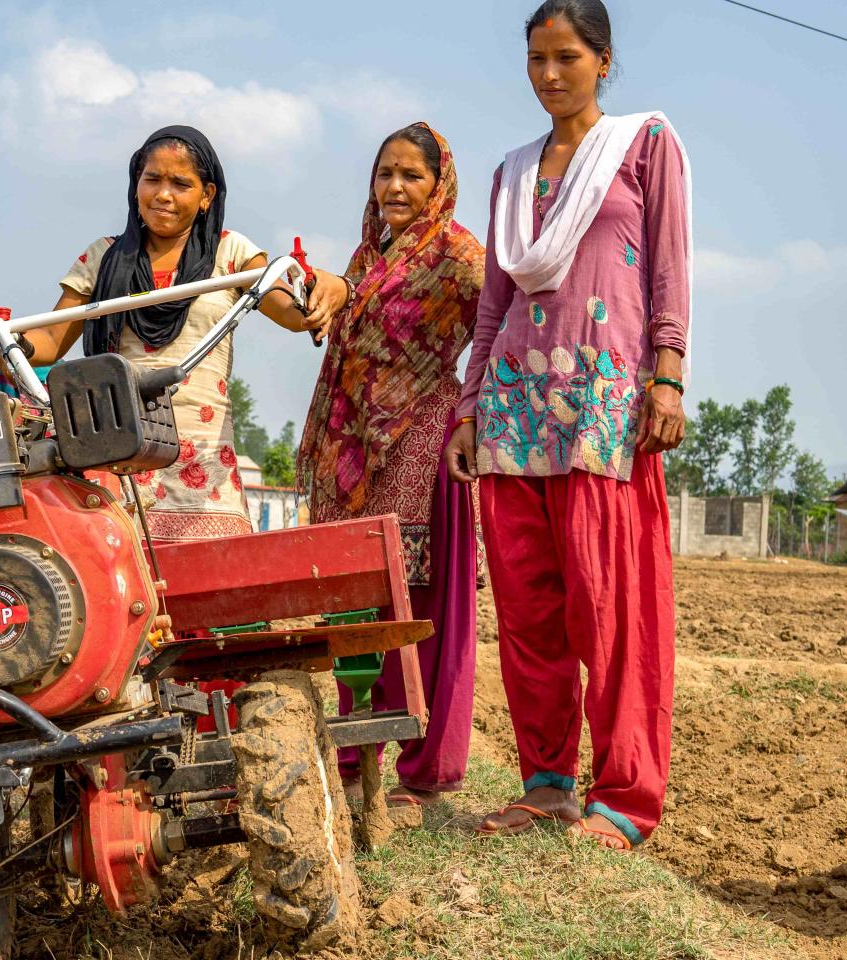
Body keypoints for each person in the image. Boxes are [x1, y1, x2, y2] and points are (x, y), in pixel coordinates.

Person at [445, 0, 692, 850]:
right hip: (513, 406)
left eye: (568, 57)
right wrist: (471, 404)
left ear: (604, 60)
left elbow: (668, 267)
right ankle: (545, 784)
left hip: (604, 406)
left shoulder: (645, 145)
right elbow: (494, 305)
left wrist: (669, 374)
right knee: (529, 611)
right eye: (537, 59)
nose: (550, 75)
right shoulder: (513, 172)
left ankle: (625, 795)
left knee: (610, 607)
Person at [14, 125, 328, 542]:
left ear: (206, 196)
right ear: (135, 184)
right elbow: (51, 343)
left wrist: (316, 299)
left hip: (205, 461)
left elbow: (286, 309)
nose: (163, 194)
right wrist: (14, 343)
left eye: (181, 183)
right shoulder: (103, 257)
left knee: (214, 584)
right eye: (153, 180)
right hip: (119, 453)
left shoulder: (231, 252)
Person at [298, 123, 484, 806]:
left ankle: (422, 769)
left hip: (420, 436)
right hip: (348, 449)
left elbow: (502, 322)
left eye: (411, 175)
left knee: (414, 601)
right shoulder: (368, 251)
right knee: (354, 598)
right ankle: (353, 756)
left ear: (440, 185)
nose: (394, 188)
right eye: (385, 174)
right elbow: (339, 302)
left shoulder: (461, 257)